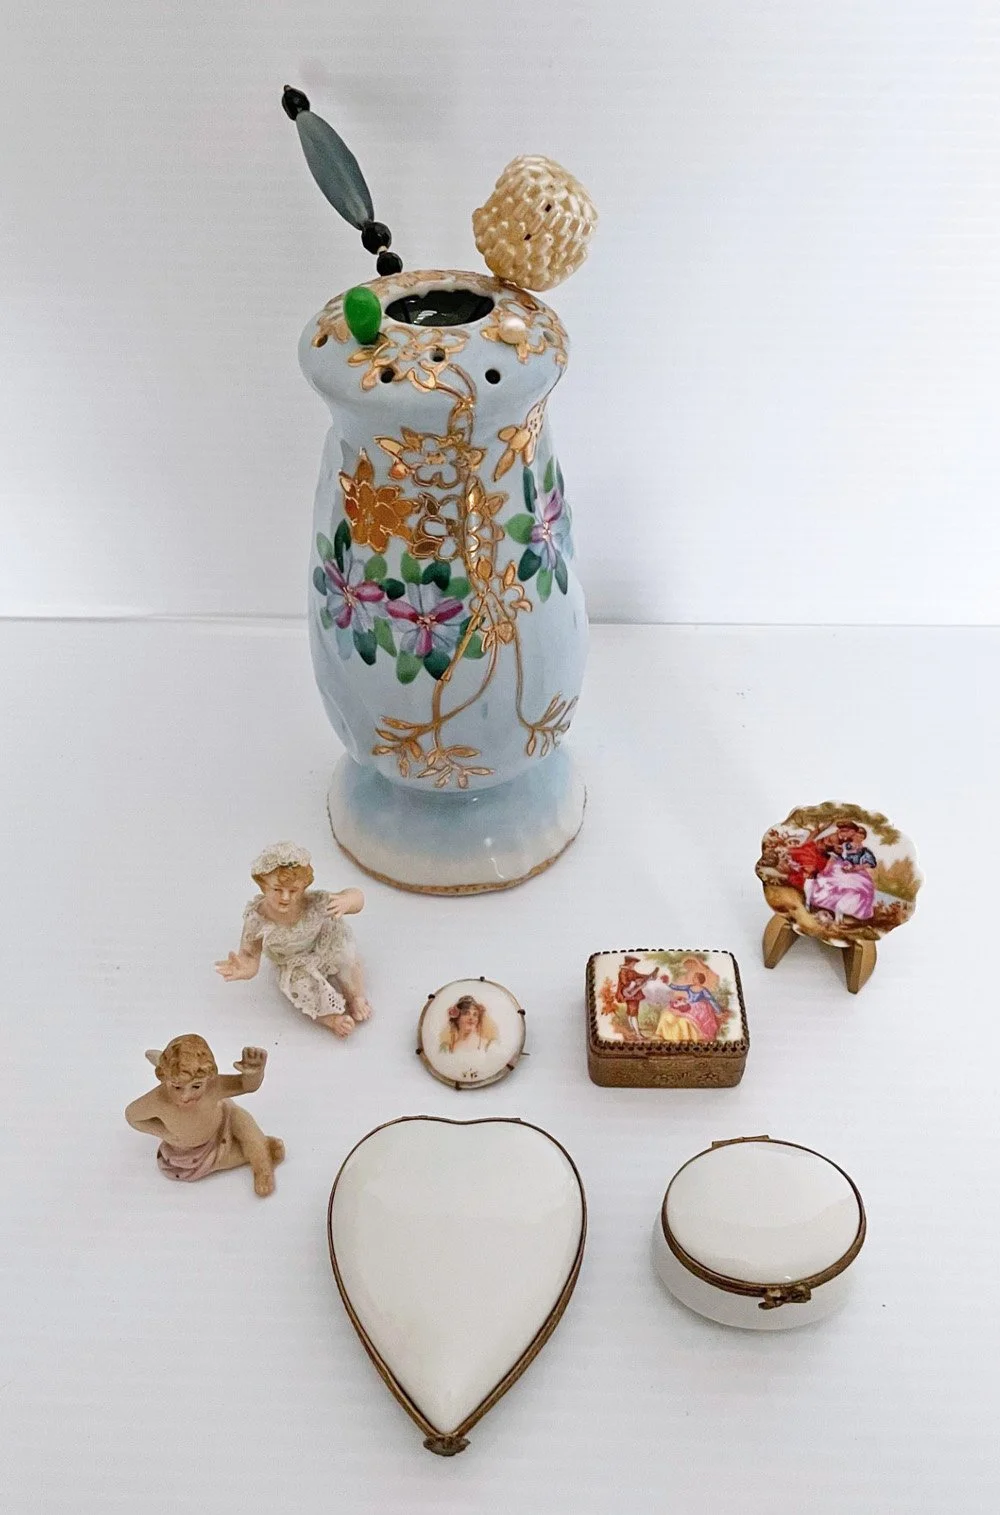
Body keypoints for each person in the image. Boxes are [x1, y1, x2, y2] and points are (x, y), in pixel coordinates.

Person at [215, 842, 372, 1037]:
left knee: (346, 956)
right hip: (294, 961)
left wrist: (348, 901)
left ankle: (355, 996)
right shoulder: (257, 919)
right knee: (302, 988)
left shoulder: (313, 902)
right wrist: (245, 968)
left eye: (293, 891)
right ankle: (332, 1019)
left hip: (323, 943)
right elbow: (250, 954)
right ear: (263, 886)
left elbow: (357, 897)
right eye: (277, 889)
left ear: (304, 887)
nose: (285, 897)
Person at [124, 1036, 284, 1196]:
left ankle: (263, 1169)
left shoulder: (212, 1087)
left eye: (196, 1086)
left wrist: (254, 1074)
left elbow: (245, 1085)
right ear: (165, 1079)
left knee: (242, 1121)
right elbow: (132, 1117)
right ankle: (262, 1150)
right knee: (222, 1159)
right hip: (194, 1154)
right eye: (177, 1087)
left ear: (208, 1078)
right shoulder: (159, 1099)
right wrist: (165, 1133)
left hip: (224, 1119)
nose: (185, 1096)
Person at [807, 822, 877, 922]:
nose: (859, 838)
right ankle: (826, 906)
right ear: (853, 835)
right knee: (831, 881)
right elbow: (834, 856)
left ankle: (846, 909)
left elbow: (871, 863)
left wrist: (856, 868)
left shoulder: (864, 851)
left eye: (862, 837)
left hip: (857, 871)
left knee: (863, 887)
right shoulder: (844, 845)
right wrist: (828, 867)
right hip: (839, 867)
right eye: (857, 836)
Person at [616, 956, 659, 1036]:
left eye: (634, 963)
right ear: (629, 963)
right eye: (633, 963)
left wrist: (650, 976)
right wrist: (636, 982)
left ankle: (632, 1028)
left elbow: (641, 976)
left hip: (634, 994)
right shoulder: (623, 971)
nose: (634, 965)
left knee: (631, 1012)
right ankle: (638, 1034)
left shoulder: (632, 971)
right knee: (633, 1013)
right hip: (630, 994)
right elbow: (625, 982)